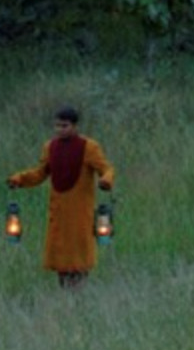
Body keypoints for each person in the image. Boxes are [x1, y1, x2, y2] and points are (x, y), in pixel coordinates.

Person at [7, 106, 116, 288]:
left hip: (80, 211)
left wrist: (106, 180)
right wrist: (19, 179)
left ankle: (79, 292)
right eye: (57, 126)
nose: (60, 130)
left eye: (64, 126)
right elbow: (40, 173)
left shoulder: (89, 147)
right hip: (58, 212)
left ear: (75, 126)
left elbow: (106, 169)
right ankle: (65, 293)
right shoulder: (50, 147)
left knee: (80, 256)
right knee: (60, 256)